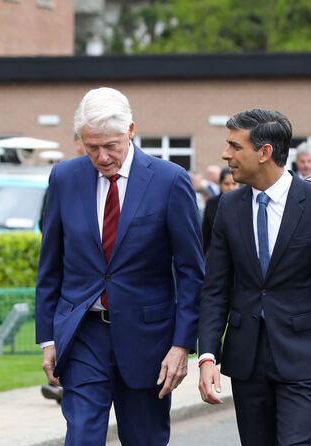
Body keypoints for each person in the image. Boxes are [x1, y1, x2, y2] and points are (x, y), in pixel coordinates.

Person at [35, 87, 204, 445]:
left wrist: (181, 344)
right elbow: (50, 263)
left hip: (148, 338)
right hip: (84, 331)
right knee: (81, 436)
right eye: (91, 146)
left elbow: (191, 270)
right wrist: (47, 337)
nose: (102, 156)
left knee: (144, 438)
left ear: (131, 130)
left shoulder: (169, 180)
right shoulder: (64, 178)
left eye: (110, 145)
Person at [198, 108, 311, 446]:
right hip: (246, 359)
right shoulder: (227, 206)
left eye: (234, 146)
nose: (226, 155)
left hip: (304, 357)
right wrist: (207, 355)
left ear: (265, 151)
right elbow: (215, 288)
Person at [202, 167, 238, 254]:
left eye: (234, 184)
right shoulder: (211, 203)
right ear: (220, 184)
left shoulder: (245, 203)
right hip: (217, 253)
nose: (230, 188)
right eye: (226, 184)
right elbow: (205, 233)